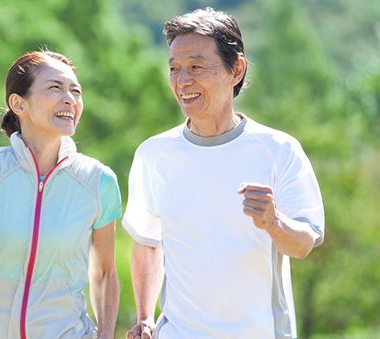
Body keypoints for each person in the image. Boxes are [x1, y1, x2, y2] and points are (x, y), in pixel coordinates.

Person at [123, 8, 325, 339]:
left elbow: (303, 244)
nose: (182, 80)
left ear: (236, 70)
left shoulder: (278, 150)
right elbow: (147, 242)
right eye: (174, 69)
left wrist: (273, 222)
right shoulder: (153, 154)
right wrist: (146, 317)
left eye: (196, 67)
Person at [0, 50, 121, 339]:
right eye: (55, 88)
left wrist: (106, 335)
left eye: (75, 91)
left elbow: (105, 273)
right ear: (18, 103)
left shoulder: (98, 182)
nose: (70, 99)